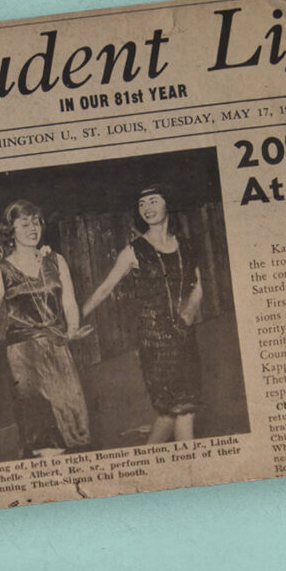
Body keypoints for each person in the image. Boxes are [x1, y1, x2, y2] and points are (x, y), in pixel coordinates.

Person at [80, 183, 206, 444]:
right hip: (155, 341)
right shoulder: (133, 251)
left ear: (167, 203)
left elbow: (199, 286)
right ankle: (195, 472)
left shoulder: (186, 244)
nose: (147, 208)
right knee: (184, 410)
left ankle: (148, 461)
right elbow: (104, 289)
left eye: (153, 201)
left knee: (170, 414)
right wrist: (75, 318)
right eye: (142, 204)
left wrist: (187, 316)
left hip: (184, 334)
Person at [0, 199, 91, 456]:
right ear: (11, 230)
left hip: (57, 348)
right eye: (24, 223)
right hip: (23, 356)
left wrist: (73, 328)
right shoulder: (0, 272)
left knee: (73, 426)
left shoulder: (56, 261)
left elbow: (69, 302)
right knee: (43, 432)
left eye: (36, 222)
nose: (32, 228)